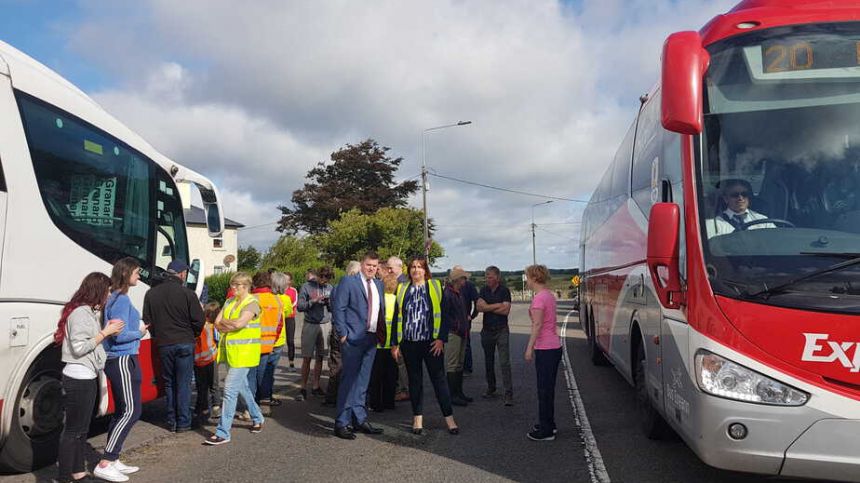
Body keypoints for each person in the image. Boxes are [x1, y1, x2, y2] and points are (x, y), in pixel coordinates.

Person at [56, 273, 125, 483]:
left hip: (85, 376)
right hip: (78, 378)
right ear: (98, 291)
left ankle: (77, 473)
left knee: (81, 429)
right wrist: (106, 333)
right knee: (72, 431)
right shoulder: (80, 314)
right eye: (107, 291)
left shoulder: (85, 312)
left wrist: (107, 332)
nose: (108, 296)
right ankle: (64, 477)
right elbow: (79, 347)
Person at [390, 257, 459, 436]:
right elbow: (397, 317)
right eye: (413, 267)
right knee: (415, 382)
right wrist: (394, 343)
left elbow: (445, 314)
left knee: (439, 381)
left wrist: (441, 339)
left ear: (425, 270)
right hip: (409, 343)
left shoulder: (435, 286)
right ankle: (417, 418)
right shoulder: (402, 288)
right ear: (409, 270)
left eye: (420, 267)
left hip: (431, 343)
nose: (416, 270)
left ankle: (449, 418)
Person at [96, 257, 147, 482]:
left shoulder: (115, 297)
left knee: (123, 410)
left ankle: (113, 458)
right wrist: (140, 332)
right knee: (131, 411)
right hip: (122, 358)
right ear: (127, 274)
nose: (139, 276)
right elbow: (117, 333)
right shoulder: (121, 300)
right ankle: (106, 461)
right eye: (137, 272)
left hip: (122, 359)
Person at [142, 259, 205, 432]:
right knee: (183, 384)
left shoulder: (151, 294)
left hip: (164, 344)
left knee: (169, 383)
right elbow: (199, 320)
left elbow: (147, 320)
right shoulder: (188, 294)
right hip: (185, 342)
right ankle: (184, 422)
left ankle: (172, 421)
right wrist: (193, 334)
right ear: (183, 274)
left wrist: (158, 335)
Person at [331, 252, 387, 440]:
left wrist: (381, 334)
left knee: (363, 382)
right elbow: (339, 308)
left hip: (371, 339)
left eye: (374, 265)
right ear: (362, 265)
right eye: (368, 264)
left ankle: (359, 419)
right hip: (353, 339)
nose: (371, 268)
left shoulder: (379, 284)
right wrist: (343, 333)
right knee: (349, 381)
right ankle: (342, 422)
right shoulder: (349, 282)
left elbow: (380, 311)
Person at [205, 272, 264, 445]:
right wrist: (231, 324)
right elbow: (216, 322)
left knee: (229, 390)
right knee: (242, 388)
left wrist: (228, 324)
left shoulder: (252, 303)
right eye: (232, 285)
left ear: (244, 286)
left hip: (245, 354)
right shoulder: (230, 301)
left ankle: (223, 432)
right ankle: (258, 417)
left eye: (235, 285)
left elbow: (240, 324)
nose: (232, 288)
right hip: (231, 353)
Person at [524, 264, 562, 441]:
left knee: (544, 390)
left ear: (534, 278)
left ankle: (546, 430)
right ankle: (549, 423)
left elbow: (537, 325)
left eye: (527, 277)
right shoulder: (549, 296)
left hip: (545, 347)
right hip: (554, 346)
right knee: (548, 388)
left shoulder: (539, 299)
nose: (526, 280)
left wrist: (529, 347)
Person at [324, 261, 360, 407]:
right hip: (349, 330)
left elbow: (333, 308)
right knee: (349, 364)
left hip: (336, 328)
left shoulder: (336, 287)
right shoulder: (355, 287)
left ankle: (332, 396)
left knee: (336, 362)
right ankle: (345, 397)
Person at [476, 265, 514, 406]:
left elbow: (505, 311)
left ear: (497, 277)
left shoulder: (504, 290)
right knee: (488, 361)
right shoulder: (483, 290)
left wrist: (488, 307)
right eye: (486, 276)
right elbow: (479, 307)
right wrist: (496, 305)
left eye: (490, 276)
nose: (487, 279)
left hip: (501, 330)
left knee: (504, 362)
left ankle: (508, 393)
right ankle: (491, 388)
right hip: (487, 330)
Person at [296, 267, 333, 401]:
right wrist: (313, 301)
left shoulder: (330, 287)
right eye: (322, 278)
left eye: (327, 279)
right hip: (310, 324)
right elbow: (300, 306)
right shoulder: (306, 286)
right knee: (307, 357)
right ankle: (303, 387)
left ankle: (316, 386)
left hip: (325, 324)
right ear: (317, 276)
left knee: (320, 357)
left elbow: (334, 308)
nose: (324, 281)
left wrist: (330, 303)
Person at [249, 271, 283, 404]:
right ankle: (260, 400)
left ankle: (252, 404)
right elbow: (279, 324)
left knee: (251, 376)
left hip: (251, 343)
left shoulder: (252, 298)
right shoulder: (276, 300)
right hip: (268, 344)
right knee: (262, 374)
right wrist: (273, 340)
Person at [261, 271, 294, 406]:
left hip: (262, 338)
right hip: (278, 339)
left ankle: (258, 394)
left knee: (260, 369)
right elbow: (288, 313)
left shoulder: (263, 297)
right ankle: (267, 395)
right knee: (270, 370)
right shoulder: (285, 299)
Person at [368, 273, 398, 412]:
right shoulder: (397, 300)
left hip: (379, 343)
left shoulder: (379, 300)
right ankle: (389, 402)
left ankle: (375, 403)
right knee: (391, 376)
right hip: (393, 344)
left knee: (376, 376)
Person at [706, 178, 776, 238]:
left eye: (744, 194)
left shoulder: (764, 221)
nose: (740, 198)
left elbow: (775, 241)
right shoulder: (713, 224)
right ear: (726, 199)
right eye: (735, 195)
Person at [442, 267, 472, 406]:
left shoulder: (457, 293)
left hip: (461, 331)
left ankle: (459, 393)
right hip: (454, 332)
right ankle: (453, 395)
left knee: (459, 364)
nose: (465, 280)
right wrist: (456, 326)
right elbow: (445, 315)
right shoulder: (448, 294)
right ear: (458, 279)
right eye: (464, 278)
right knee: (453, 364)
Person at [387, 256, 410, 401]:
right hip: (398, 330)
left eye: (391, 268)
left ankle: (405, 390)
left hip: (402, 331)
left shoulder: (402, 284)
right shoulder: (400, 281)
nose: (389, 270)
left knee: (402, 363)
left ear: (399, 267)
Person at [194, 302, 220, 424]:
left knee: (201, 387)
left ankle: (202, 408)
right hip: (211, 359)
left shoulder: (197, 325)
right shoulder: (213, 326)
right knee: (214, 385)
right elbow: (218, 340)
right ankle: (216, 407)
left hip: (198, 361)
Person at [453, 264, 479, 376]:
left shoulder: (469, 286)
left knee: (465, 343)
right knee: (454, 345)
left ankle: (466, 368)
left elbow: (477, 301)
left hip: (465, 320)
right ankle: (457, 368)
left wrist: (472, 316)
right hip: (454, 321)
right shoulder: (450, 287)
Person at [283, 272, 299, 371]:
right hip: (279, 317)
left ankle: (291, 363)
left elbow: (294, 302)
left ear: (290, 281)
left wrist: (284, 308)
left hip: (289, 317)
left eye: (287, 279)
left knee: (290, 340)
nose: (285, 281)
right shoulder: (277, 290)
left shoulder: (293, 290)